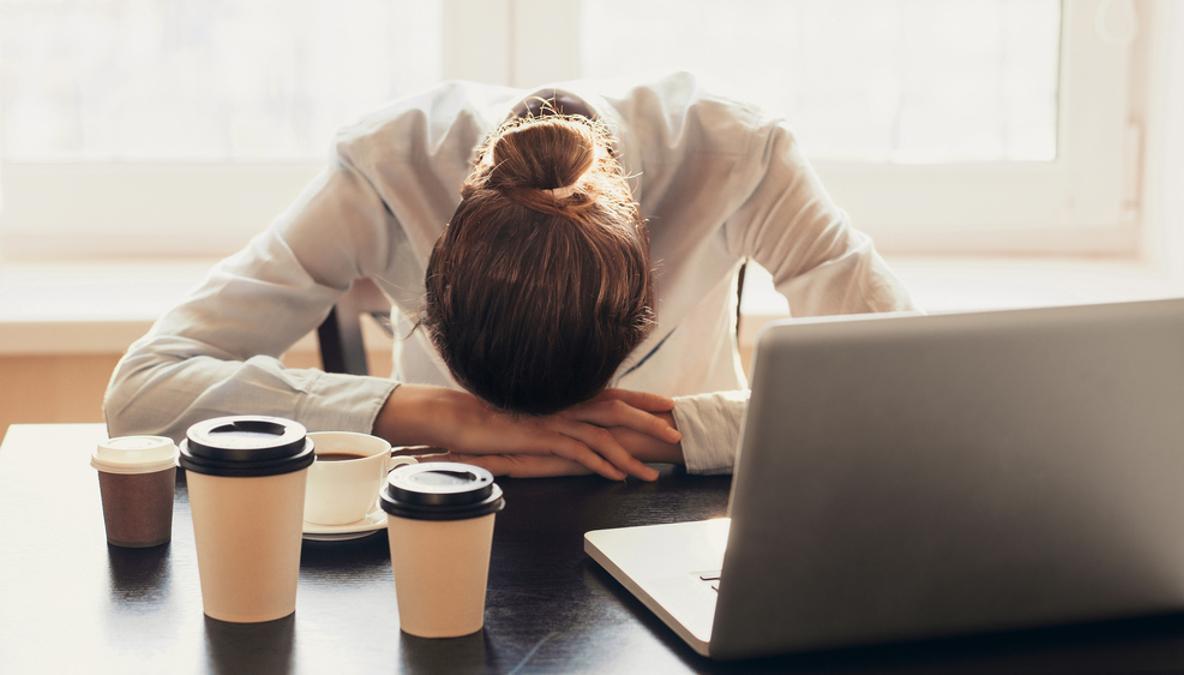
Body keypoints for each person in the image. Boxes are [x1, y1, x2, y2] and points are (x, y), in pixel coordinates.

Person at [103, 72, 913, 480]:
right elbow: (144, 389)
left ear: (646, 289)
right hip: (447, 494)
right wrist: (440, 415)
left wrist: (675, 431)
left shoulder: (742, 156)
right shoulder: (388, 165)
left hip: (676, 508)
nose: (551, 432)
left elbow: (915, 389)